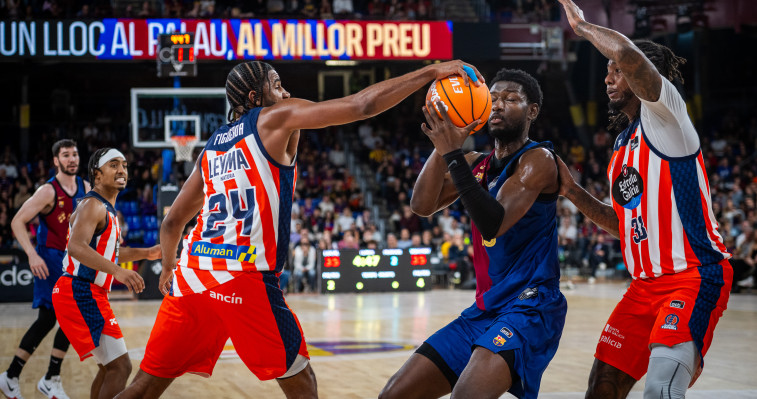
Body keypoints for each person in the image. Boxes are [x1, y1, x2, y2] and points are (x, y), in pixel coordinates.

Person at [116, 59, 484, 399]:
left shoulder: (211, 148)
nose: (287, 93)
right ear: (255, 96)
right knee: (302, 381)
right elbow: (361, 106)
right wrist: (431, 71)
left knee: (145, 386)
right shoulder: (275, 117)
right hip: (243, 274)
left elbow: (171, 222)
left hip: (192, 274)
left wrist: (167, 269)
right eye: (278, 85)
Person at [555, 0, 732, 399]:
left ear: (638, 74)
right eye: (608, 70)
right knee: (602, 386)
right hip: (642, 287)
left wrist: (581, 28)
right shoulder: (621, 144)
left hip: (692, 276)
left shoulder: (668, 115)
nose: (608, 77)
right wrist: (571, 190)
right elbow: (622, 224)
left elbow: (633, 57)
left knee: (660, 389)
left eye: (615, 69)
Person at [380, 68, 566, 399]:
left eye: (511, 99)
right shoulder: (474, 163)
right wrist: (442, 147)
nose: (497, 105)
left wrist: (453, 153)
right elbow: (421, 205)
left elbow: (492, 222)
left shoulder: (538, 160)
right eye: (491, 99)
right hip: (485, 308)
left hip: (531, 305)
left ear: (532, 111)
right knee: (394, 394)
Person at [52, 148, 160, 399]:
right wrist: (118, 272)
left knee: (109, 367)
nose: (122, 170)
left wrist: (147, 253)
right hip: (79, 290)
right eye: (113, 165)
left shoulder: (106, 209)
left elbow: (109, 251)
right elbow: (76, 246)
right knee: (120, 366)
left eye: (124, 165)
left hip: (87, 291)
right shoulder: (92, 205)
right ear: (97, 175)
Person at [0, 139, 89, 399]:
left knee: (50, 319)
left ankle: (14, 376)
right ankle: (48, 377)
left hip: (74, 260)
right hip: (50, 259)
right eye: (66, 155)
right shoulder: (48, 191)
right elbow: (17, 221)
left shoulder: (85, 186)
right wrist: (31, 255)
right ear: (56, 161)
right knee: (69, 315)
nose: (72, 159)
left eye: (74, 154)